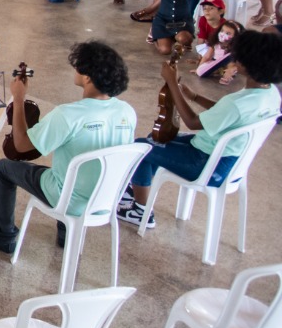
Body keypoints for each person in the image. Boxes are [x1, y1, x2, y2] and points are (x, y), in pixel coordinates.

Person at [0, 41, 136, 254]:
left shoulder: (68, 115)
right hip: (106, 197)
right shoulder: (127, 111)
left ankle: (4, 236)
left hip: (69, 198)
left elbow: (22, 145)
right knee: (71, 169)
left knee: (4, 168)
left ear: (87, 77)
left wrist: (20, 98)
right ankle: (66, 234)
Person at [117, 30, 282, 228]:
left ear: (247, 64)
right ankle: (137, 187)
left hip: (207, 165)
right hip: (228, 162)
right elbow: (225, 113)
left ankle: (140, 211)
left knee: (141, 148)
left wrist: (173, 84)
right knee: (156, 137)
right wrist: (194, 96)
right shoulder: (270, 93)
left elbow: (193, 122)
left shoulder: (236, 104)